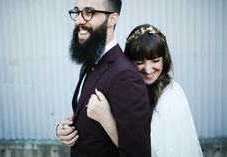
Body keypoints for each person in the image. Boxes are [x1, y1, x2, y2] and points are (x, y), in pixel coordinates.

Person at [86, 24, 204, 157]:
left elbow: (147, 151)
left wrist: (106, 119)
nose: (148, 70)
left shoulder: (171, 95)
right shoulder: (125, 86)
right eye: (139, 62)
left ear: (164, 59)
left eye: (155, 60)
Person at [55, 0, 152, 157]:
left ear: (112, 19)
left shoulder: (125, 76)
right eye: (77, 12)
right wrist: (63, 128)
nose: (79, 20)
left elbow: (137, 152)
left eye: (89, 12)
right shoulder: (90, 62)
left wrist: (106, 119)